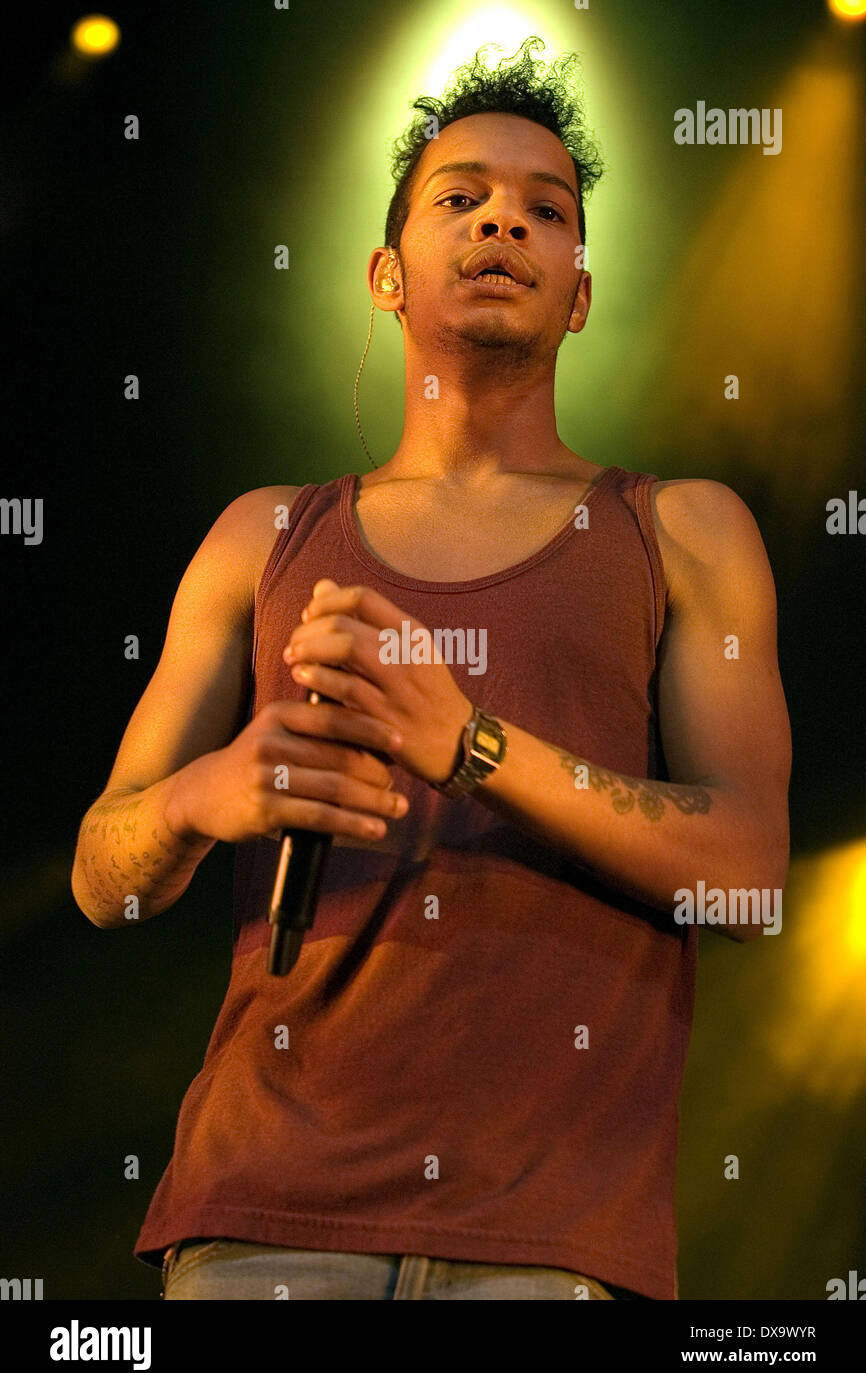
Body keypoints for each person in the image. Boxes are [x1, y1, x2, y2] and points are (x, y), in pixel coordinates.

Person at [71, 38, 791, 1301]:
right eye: (460, 195)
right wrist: (204, 797)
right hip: (260, 1220)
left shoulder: (682, 530)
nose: (503, 216)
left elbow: (745, 875)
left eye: (543, 207)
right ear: (386, 274)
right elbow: (98, 876)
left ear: (576, 291)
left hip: (552, 1236)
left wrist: (469, 743)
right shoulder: (263, 534)